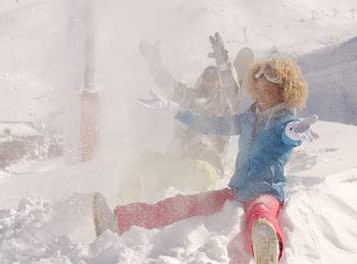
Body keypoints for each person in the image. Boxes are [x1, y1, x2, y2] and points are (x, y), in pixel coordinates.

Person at [93, 56, 319, 264]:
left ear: (283, 92)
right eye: (258, 89)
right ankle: (118, 221)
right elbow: (210, 125)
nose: (260, 95)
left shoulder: (284, 122)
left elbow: (288, 133)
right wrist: (173, 109)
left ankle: (268, 251)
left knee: (260, 215)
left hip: (266, 192)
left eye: (267, 90)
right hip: (236, 192)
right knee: (182, 203)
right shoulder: (248, 119)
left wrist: (294, 133)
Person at [118, 33, 254, 203]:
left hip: (206, 169)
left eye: (214, 73)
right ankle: (124, 206)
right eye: (206, 72)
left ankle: (171, 204)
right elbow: (168, 84)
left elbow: (231, 91)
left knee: (195, 170)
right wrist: (154, 63)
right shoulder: (189, 97)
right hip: (178, 164)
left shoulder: (223, 106)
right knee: (141, 160)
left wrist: (222, 63)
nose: (209, 75)